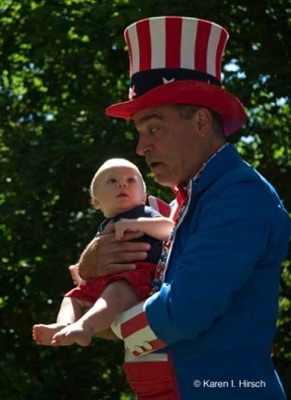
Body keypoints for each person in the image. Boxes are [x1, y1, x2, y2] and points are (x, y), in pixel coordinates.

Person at [77, 16, 291, 399]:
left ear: (201, 122)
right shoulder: (185, 202)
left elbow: (185, 310)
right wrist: (90, 270)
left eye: (153, 128)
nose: (141, 148)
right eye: (139, 133)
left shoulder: (239, 196)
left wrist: (96, 323)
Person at [32, 158, 174, 347]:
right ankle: (64, 325)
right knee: (73, 297)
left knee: (116, 292)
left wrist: (136, 223)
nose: (122, 183)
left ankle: (85, 327)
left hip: (138, 278)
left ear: (142, 197)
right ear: (96, 202)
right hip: (110, 282)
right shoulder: (104, 227)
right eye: (112, 181)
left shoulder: (144, 212)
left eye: (130, 180)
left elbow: (170, 229)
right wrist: (82, 272)